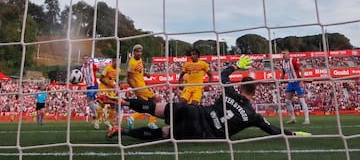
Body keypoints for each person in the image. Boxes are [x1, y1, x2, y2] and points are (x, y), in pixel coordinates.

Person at [107, 55, 311, 139]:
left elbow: (222, 76)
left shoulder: (229, 91)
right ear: (255, 92)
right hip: (200, 130)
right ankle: (122, 131)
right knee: (163, 133)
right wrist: (293, 134)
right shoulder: (253, 116)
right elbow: (273, 130)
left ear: (239, 88)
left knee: (156, 108)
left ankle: (124, 101)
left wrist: (236, 66)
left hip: (195, 111)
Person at [126, 44, 158, 129]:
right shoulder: (132, 63)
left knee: (146, 105)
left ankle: (132, 117)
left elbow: (139, 72)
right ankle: (151, 122)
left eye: (140, 51)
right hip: (139, 87)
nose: (139, 53)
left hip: (142, 84)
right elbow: (128, 79)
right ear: (134, 52)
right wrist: (136, 90)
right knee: (154, 99)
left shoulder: (140, 59)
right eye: (137, 51)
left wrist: (146, 74)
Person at [280, 49, 310, 124]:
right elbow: (283, 73)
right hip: (290, 83)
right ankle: (293, 118)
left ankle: (307, 119)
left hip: (297, 82)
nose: (283, 55)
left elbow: (302, 70)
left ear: (288, 54)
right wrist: (280, 80)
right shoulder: (283, 63)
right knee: (287, 101)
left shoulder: (293, 60)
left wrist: (301, 81)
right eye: (282, 54)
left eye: (285, 54)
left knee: (302, 100)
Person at [94, 57, 122, 130]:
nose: (116, 63)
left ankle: (107, 121)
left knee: (113, 104)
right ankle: (97, 120)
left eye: (118, 61)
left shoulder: (118, 70)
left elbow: (115, 78)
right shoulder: (107, 68)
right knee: (102, 104)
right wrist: (109, 84)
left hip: (111, 89)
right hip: (103, 88)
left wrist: (119, 83)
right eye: (115, 61)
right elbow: (101, 79)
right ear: (112, 61)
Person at [80, 55, 100, 126]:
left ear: (88, 59)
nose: (85, 60)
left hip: (94, 85)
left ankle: (97, 113)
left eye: (87, 58)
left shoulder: (92, 65)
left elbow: (99, 70)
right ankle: (97, 114)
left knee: (89, 100)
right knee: (90, 102)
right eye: (84, 59)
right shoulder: (82, 68)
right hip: (88, 87)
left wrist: (98, 68)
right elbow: (81, 78)